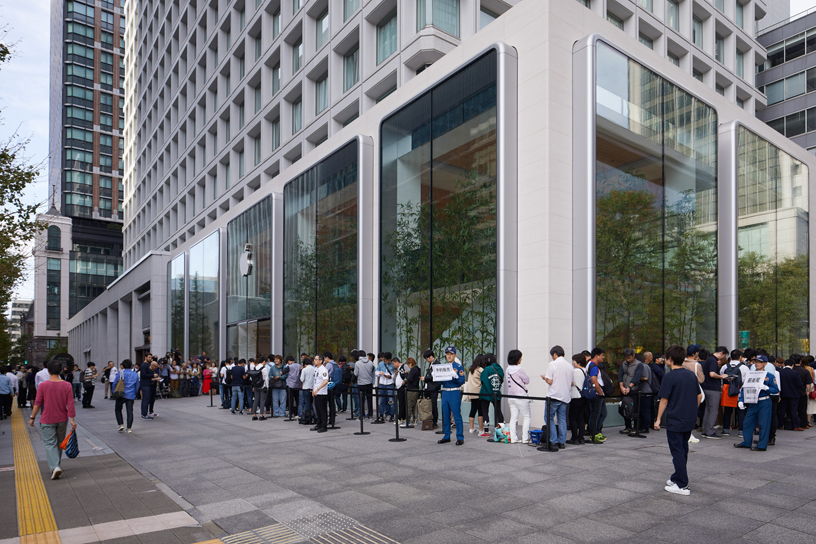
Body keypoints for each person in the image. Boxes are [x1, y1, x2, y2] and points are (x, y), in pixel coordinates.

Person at [654, 345, 702, 496]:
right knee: (683, 449)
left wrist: (658, 419)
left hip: (675, 419)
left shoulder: (669, 377)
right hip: (689, 418)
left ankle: (682, 485)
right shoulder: (690, 375)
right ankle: (677, 477)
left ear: (670, 359)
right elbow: (699, 396)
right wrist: (693, 409)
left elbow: (663, 401)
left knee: (677, 451)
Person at [29, 359, 77, 480]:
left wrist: (32, 417)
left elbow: (38, 403)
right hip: (62, 419)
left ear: (48, 370)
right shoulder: (67, 385)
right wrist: (72, 419)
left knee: (50, 443)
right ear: (60, 370)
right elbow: (70, 403)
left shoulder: (43, 385)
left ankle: (54, 467)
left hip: (47, 419)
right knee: (60, 443)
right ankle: (56, 465)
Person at [735, 354, 779, 451]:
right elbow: (744, 388)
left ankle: (762, 445)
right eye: (756, 362)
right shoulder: (750, 374)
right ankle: (746, 442)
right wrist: (741, 400)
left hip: (764, 402)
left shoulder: (769, 376)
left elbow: (776, 389)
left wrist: (767, 388)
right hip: (752, 402)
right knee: (747, 423)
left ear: (765, 363)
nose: (757, 364)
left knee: (764, 424)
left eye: (760, 362)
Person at [543, 345, 573, 451]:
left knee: (548, 418)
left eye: (552, 355)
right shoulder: (570, 366)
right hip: (565, 396)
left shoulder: (553, 364)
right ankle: (561, 442)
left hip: (554, 395)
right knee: (562, 420)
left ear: (555, 354)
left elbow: (550, 381)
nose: (552, 358)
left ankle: (554, 441)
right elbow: (572, 382)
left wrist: (544, 378)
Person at [436, 347, 466, 446]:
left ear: (455, 355)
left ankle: (460, 437)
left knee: (456, 415)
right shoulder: (443, 366)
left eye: (451, 354)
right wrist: (436, 375)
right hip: (445, 392)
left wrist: (456, 376)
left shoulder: (458, 366)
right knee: (446, 415)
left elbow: (461, 381)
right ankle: (447, 436)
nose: (449, 356)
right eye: (447, 354)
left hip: (454, 392)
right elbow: (441, 382)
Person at [701, 346, 729, 439]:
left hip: (706, 387)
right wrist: (722, 376)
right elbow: (712, 374)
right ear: (721, 353)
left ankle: (705, 430)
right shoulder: (713, 360)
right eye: (724, 355)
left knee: (708, 410)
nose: (723, 358)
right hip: (713, 388)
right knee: (713, 410)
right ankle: (710, 431)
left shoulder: (709, 359)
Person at [506, 350, 531, 444]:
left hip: (511, 397)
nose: (521, 359)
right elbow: (527, 380)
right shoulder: (519, 369)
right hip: (521, 396)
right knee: (526, 416)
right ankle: (525, 439)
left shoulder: (507, 369)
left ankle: (513, 438)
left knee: (513, 418)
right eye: (520, 357)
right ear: (517, 358)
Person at [111, 360, 139, 433]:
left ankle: (121, 424)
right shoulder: (135, 374)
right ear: (131, 366)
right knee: (130, 411)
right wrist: (135, 393)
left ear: (122, 366)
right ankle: (129, 428)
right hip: (131, 394)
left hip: (121, 393)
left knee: (118, 408)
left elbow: (114, 383)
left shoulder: (121, 373)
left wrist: (114, 392)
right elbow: (137, 386)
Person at [480, 353, 504, 436]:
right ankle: (501, 430)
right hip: (496, 392)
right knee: (498, 411)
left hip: (485, 393)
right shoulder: (500, 369)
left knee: (485, 412)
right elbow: (502, 379)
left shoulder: (486, 369)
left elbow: (482, 380)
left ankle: (486, 431)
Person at [587, 348, 608, 443]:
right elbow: (594, 380)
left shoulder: (589, 364)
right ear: (597, 356)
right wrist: (600, 393)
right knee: (596, 414)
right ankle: (594, 433)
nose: (603, 357)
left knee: (601, 413)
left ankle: (596, 432)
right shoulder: (593, 366)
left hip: (595, 394)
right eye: (602, 355)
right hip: (596, 394)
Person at [568, 353, 588, 445]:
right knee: (581, 418)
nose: (573, 363)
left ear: (578, 362)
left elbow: (571, 383)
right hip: (583, 397)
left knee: (572, 418)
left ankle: (574, 438)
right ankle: (581, 438)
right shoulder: (585, 370)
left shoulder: (575, 371)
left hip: (576, 396)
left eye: (574, 361)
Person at [778, 359, 804, 431]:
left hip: (783, 393)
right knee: (794, 410)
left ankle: (780, 425)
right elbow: (799, 384)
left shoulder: (780, 372)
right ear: (792, 365)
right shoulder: (795, 373)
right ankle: (796, 426)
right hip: (794, 394)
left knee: (782, 409)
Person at [464, 355, 486, 435]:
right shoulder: (481, 370)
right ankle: (481, 429)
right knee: (480, 411)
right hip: (479, 393)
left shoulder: (471, 370)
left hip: (471, 392)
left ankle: (471, 428)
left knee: (473, 410)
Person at [420, 350, 442, 429]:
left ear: (431, 356)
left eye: (426, 358)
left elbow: (435, 376)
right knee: (428, 405)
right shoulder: (431, 364)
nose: (426, 360)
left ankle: (434, 421)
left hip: (433, 387)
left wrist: (425, 378)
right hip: (428, 387)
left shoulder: (437, 364)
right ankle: (429, 420)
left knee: (433, 405)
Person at [353, 350, 375, 419]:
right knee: (369, 399)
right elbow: (372, 371)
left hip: (361, 383)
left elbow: (356, 373)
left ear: (359, 356)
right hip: (369, 383)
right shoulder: (370, 363)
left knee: (361, 400)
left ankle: (362, 415)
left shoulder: (357, 363)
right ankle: (370, 414)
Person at [311, 354, 330, 433]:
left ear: (320, 361)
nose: (314, 361)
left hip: (321, 393)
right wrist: (313, 390)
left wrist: (318, 389)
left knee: (322, 410)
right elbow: (316, 381)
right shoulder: (316, 369)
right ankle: (318, 424)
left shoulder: (323, 369)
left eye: (316, 359)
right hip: (316, 392)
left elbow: (325, 381)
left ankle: (323, 426)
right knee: (317, 410)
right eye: (314, 359)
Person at [794, 356, 813, 430]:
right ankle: (804, 424)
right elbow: (808, 383)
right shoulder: (805, 371)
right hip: (802, 392)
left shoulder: (792, 370)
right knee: (803, 408)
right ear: (800, 361)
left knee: (793, 409)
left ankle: (794, 423)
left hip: (793, 392)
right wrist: (808, 391)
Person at [401, 358, 421, 427]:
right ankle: (414, 419)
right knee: (414, 406)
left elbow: (409, 379)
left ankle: (408, 421)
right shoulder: (417, 369)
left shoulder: (413, 369)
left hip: (411, 389)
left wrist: (406, 374)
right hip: (416, 389)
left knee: (409, 406)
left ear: (410, 364)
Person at [375, 352, 395, 423]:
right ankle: (381, 415)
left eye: (389, 360)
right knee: (381, 401)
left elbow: (395, 375)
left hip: (390, 384)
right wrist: (380, 374)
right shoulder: (381, 364)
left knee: (391, 401)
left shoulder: (393, 364)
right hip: (382, 384)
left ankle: (392, 415)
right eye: (386, 360)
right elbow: (376, 373)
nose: (387, 361)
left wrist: (390, 376)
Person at [299, 358, 315, 424]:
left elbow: (302, 379)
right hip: (313, 388)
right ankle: (313, 415)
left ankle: (308, 416)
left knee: (307, 402)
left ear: (304, 364)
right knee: (312, 402)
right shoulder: (314, 369)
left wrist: (301, 370)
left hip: (306, 388)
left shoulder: (304, 370)